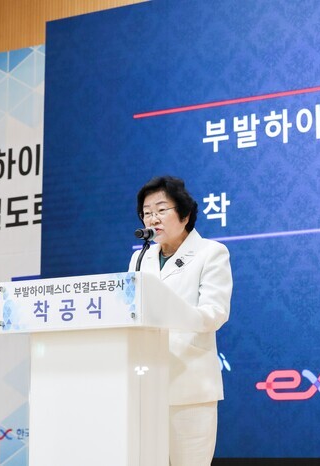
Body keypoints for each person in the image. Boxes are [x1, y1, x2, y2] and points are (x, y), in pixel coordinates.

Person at [128, 176, 232, 466]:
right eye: (147, 212)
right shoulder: (141, 259)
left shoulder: (211, 252)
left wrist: (168, 311)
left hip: (190, 385)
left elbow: (215, 313)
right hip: (146, 383)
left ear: (185, 215)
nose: (153, 219)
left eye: (161, 210)